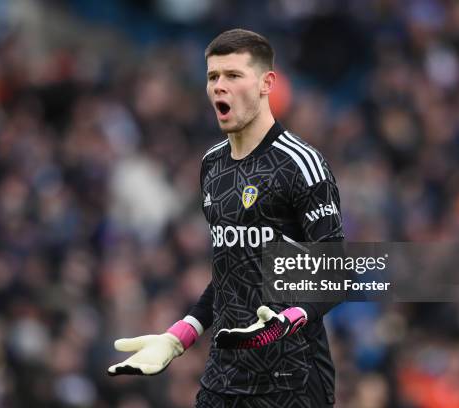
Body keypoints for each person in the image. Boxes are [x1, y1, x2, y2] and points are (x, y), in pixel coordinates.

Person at [108, 28, 344, 407]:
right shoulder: (212, 165)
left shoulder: (302, 164)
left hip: (292, 380)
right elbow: (230, 272)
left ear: (267, 83)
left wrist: (287, 319)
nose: (220, 86)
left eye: (233, 75)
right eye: (213, 76)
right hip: (225, 377)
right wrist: (180, 335)